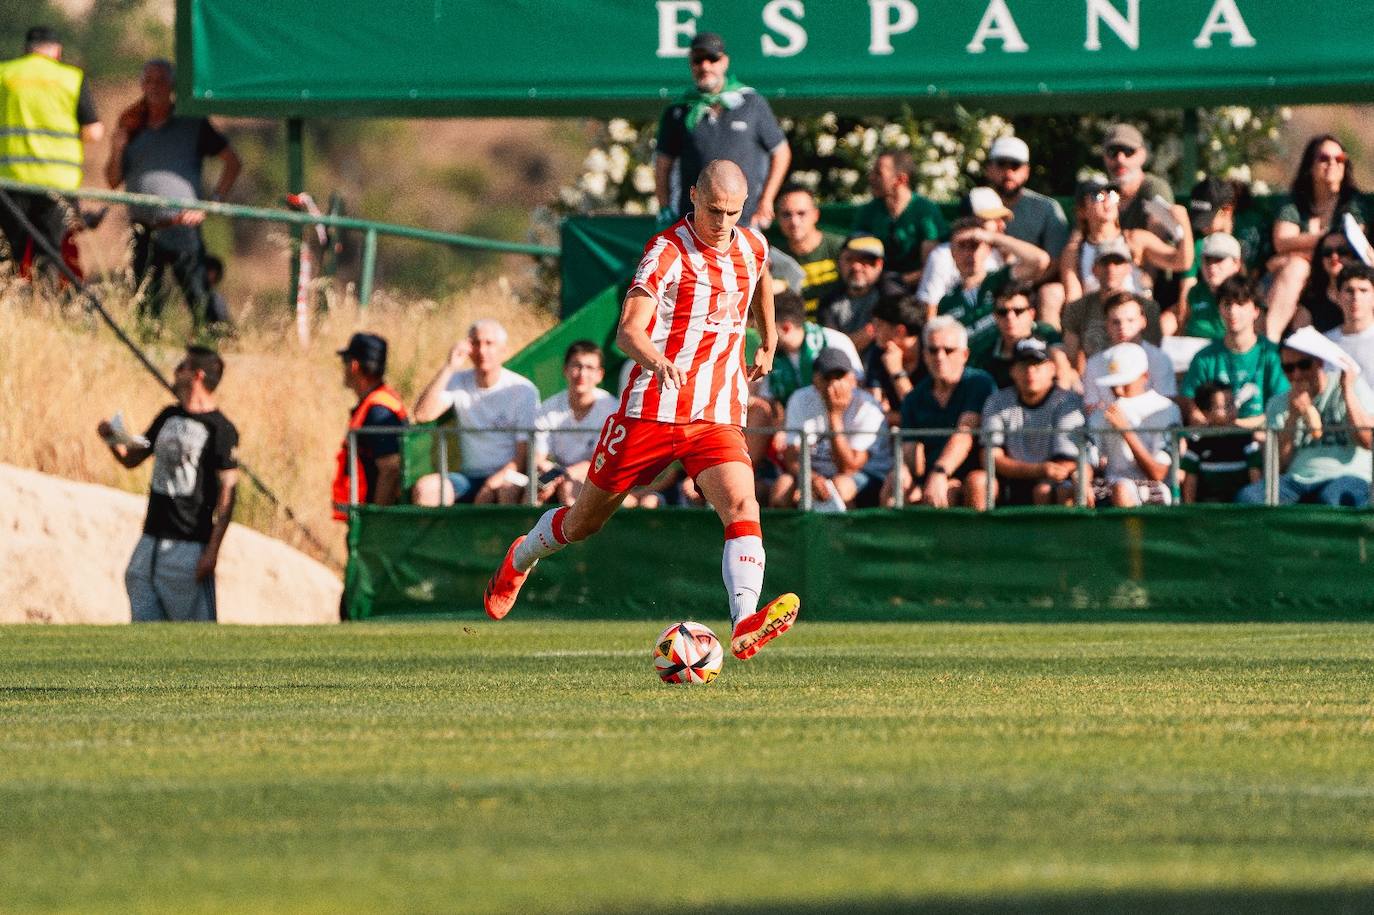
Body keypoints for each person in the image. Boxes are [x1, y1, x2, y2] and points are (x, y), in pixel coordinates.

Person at [483, 161, 799, 662]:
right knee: (584, 523)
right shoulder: (667, 252)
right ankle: (521, 556)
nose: (722, 223)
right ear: (692, 196)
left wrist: (771, 336)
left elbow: (760, 275)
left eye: (733, 213)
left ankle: (744, 622)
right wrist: (657, 358)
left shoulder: (752, 244)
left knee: (744, 505)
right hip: (650, 411)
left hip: (715, 413)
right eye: (713, 210)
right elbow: (628, 332)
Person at [95, 346, 238, 622]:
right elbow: (131, 458)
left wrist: (212, 551)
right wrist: (112, 440)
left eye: (182, 366)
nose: (176, 371)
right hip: (151, 539)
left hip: (189, 545)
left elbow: (228, 495)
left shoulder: (221, 429)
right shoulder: (168, 416)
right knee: (140, 604)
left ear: (197, 375)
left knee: (196, 637)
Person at [104, 58, 241, 329]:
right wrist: (118, 148)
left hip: (180, 226)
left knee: (199, 299)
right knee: (144, 304)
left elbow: (232, 162)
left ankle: (216, 345)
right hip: (143, 228)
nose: (154, 87)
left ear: (172, 86)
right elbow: (112, 180)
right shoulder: (131, 123)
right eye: (149, 81)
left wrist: (210, 205)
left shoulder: (191, 123)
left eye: (161, 81)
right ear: (142, 84)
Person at [654, 32, 789, 229]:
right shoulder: (678, 111)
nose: (705, 66)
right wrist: (665, 208)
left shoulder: (751, 103)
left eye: (712, 59)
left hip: (745, 221)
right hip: (694, 224)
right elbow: (662, 164)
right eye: (698, 60)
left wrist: (766, 200)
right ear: (691, 63)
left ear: (724, 62)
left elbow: (781, 152)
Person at [0, 26, 103, 278]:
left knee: (8, 252)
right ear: (57, 51)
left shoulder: (4, 75)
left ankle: (10, 308)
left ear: (27, 50)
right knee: (48, 253)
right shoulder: (72, 78)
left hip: (11, 179)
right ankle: (43, 309)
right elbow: (94, 132)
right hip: (57, 183)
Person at [411, 319, 539, 506]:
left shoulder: (522, 390)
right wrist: (449, 367)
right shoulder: (457, 380)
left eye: (489, 343)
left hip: (509, 476)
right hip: (467, 478)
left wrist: (491, 484)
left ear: (503, 350)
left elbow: (522, 456)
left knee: (506, 490)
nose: (482, 351)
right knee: (426, 490)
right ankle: (443, 536)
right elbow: (422, 414)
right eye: (476, 343)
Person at [1236, 342, 1374, 507]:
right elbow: (1277, 467)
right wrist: (1293, 417)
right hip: (1297, 478)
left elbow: (1367, 441)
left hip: (1347, 475)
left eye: (1304, 365)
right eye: (1288, 368)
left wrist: (1347, 392)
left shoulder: (1350, 386)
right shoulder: (1278, 403)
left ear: (1319, 363)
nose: (1297, 374)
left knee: (1331, 499)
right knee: (1248, 497)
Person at [888, 316, 997, 508]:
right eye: (933, 350)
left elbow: (965, 432)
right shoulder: (915, 397)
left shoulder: (978, 383)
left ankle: (980, 538)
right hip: (932, 476)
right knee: (895, 482)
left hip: (973, 471)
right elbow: (910, 451)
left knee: (977, 482)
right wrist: (904, 477)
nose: (940, 357)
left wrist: (939, 473)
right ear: (924, 355)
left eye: (948, 350)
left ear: (964, 354)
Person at [1267, 135, 1366, 341]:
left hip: (1341, 273)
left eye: (1339, 159)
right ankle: (1270, 343)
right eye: (1324, 158)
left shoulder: (1353, 202)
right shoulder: (1296, 202)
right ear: (1310, 164)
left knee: (1296, 264)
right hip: (1302, 283)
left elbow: (1355, 243)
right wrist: (1325, 241)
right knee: (1296, 268)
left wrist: (1301, 248)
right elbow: (1282, 240)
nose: (1332, 163)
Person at [969, 338, 1086, 509]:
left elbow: (1067, 462)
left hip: (1053, 484)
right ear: (1012, 371)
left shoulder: (1068, 402)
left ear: (1052, 369)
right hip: (1009, 481)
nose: (1030, 372)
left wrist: (1045, 473)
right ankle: (979, 535)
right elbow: (990, 458)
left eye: (1037, 365)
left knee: (1047, 489)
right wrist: (1038, 469)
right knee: (977, 480)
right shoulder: (997, 401)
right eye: (1024, 365)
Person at [772, 348, 890, 510]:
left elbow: (848, 467)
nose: (833, 385)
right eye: (827, 378)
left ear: (852, 379)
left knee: (839, 487)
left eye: (839, 377)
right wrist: (810, 478)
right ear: (815, 380)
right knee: (782, 487)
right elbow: (792, 456)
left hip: (864, 476)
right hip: (814, 473)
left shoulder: (867, 407)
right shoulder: (799, 399)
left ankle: (845, 535)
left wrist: (834, 414)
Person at [935, 216, 1052, 361]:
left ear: (988, 249)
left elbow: (1040, 260)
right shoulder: (947, 302)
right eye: (961, 246)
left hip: (1014, 362)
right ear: (952, 252)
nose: (968, 254)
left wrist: (992, 237)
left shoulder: (1000, 279)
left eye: (974, 245)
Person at [1179, 276, 1288, 428]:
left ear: (1256, 311)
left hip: (1263, 438)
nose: (1233, 311)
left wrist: (1239, 424)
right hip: (1217, 439)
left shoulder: (1272, 353)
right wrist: (1198, 417)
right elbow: (1188, 400)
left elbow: (1284, 402)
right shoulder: (1204, 358)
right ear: (1219, 309)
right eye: (1227, 304)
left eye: (1241, 303)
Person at [983, 135, 1069, 324]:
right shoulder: (976, 203)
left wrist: (1019, 286)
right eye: (1001, 164)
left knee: (1052, 293)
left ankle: (1047, 348)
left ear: (1026, 171)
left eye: (1015, 165)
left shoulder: (1046, 208)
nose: (1008, 172)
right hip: (982, 285)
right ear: (989, 169)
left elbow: (1055, 262)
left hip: (1031, 286)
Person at [1088, 342, 1182, 507]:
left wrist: (1125, 430)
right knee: (1069, 489)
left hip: (1153, 488)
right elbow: (1089, 459)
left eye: (1125, 383)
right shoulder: (1102, 413)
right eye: (1113, 384)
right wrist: (1081, 481)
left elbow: (1158, 473)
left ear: (1145, 376)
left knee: (1122, 489)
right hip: (1110, 484)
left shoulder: (1167, 410)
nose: (1118, 391)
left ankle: (1130, 534)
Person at [533, 340, 618, 506]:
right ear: (565, 370)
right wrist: (548, 478)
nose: (582, 374)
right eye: (576, 366)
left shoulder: (612, 410)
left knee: (569, 487)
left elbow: (600, 463)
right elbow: (537, 458)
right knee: (531, 492)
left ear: (600, 374)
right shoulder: (548, 408)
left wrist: (562, 475)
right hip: (554, 475)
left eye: (589, 368)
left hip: (596, 480)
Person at [333, 333, 407, 520]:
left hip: (379, 522)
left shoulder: (378, 411)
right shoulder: (379, 402)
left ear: (354, 366)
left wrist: (376, 521)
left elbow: (390, 467)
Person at [1061, 235, 1165, 368]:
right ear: (1093, 270)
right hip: (1093, 374)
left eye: (1117, 263)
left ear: (1128, 268)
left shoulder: (1147, 307)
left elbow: (1153, 351)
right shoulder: (1077, 308)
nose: (1111, 269)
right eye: (1104, 263)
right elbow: (1071, 355)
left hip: (1136, 372)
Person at [852, 150, 947, 284]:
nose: (871, 178)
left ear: (901, 179)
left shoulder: (925, 211)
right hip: (875, 287)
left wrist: (900, 281)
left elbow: (931, 265)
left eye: (878, 173)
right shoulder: (868, 211)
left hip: (917, 288)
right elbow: (856, 254)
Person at [914, 189, 1007, 318]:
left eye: (1002, 219)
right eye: (994, 219)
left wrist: (1003, 245)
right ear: (973, 220)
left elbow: (1039, 261)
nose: (1002, 225)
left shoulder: (1001, 251)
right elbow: (929, 309)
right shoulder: (942, 255)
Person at [1082, 292, 1177, 411]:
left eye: (1130, 320)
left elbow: (1165, 408)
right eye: (1116, 322)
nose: (1122, 327)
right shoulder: (1094, 363)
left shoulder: (1160, 359)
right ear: (1107, 325)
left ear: (1143, 321)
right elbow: (1092, 409)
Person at [971, 282, 1072, 390]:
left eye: (1018, 311)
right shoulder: (986, 357)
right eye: (1002, 312)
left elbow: (1065, 373)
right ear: (995, 317)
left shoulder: (1046, 334)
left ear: (1031, 314)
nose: (1010, 317)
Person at [772, 184, 845, 318]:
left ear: (816, 215)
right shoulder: (774, 258)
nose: (794, 221)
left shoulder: (841, 248)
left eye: (801, 213)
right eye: (786, 214)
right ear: (778, 218)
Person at [1180, 383, 1259, 504]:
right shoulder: (1198, 441)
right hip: (1208, 506)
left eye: (1232, 404)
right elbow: (1190, 480)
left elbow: (1255, 476)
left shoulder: (1246, 437)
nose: (1232, 409)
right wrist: (1189, 508)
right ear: (1206, 413)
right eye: (1225, 406)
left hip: (1240, 506)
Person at [863, 291, 925, 422]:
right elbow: (873, 409)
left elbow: (922, 414)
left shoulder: (933, 352)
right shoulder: (879, 352)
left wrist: (897, 372)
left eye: (878, 326)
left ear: (900, 331)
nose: (874, 333)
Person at [817, 234, 886, 350]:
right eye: (849, 259)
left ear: (879, 265)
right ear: (839, 263)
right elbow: (832, 348)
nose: (856, 267)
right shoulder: (828, 302)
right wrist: (866, 334)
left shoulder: (890, 294)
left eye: (865, 261)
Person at [1177, 232, 1243, 341]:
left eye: (1219, 259)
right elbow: (1183, 327)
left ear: (1236, 263)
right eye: (1208, 260)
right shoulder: (1195, 293)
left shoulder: (1246, 296)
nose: (1212, 266)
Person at [1296, 229, 1360, 334]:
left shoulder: (1370, 292)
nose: (1334, 257)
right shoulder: (1311, 301)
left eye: (1342, 251)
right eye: (1327, 252)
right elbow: (1299, 343)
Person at [1327, 265, 1374, 379]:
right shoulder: (1325, 343)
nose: (1356, 297)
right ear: (1337, 296)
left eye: (1363, 290)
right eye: (1349, 290)